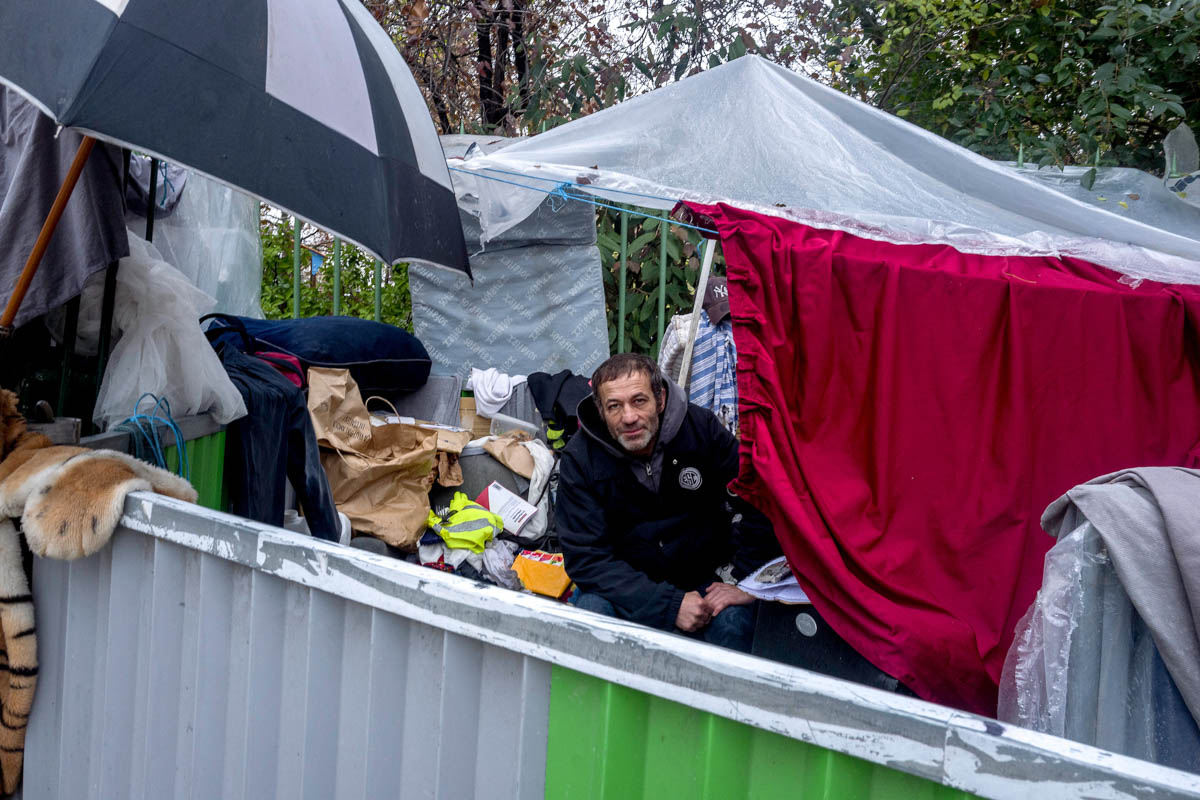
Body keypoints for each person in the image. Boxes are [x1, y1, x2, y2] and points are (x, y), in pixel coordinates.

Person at [556, 353, 780, 652]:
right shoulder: (580, 458)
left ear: (659, 399)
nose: (629, 417)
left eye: (639, 401)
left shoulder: (701, 429)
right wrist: (670, 605)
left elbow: (759, 498)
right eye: (614, 406)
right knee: (592, 618)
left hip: (702, 580)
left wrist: (745, 582)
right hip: (623, 590)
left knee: (735, 625)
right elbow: (586, 557)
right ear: (600, 410)